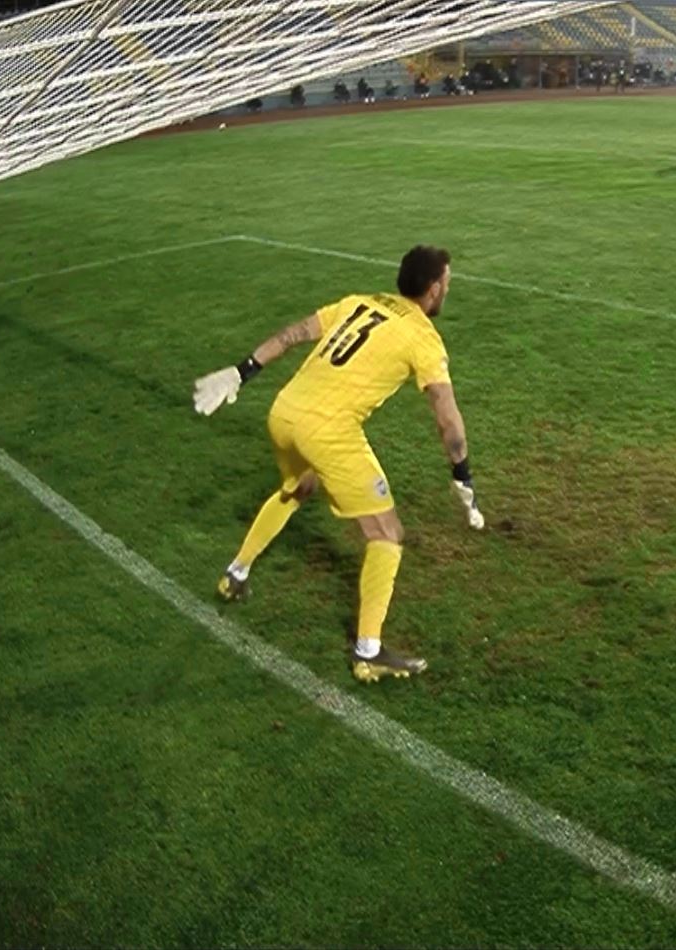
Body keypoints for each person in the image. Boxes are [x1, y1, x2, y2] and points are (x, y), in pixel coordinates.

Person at [190, 246, 484, 684]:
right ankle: (369, 652)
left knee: (298, 486)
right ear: (434, 287)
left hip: (284, 413)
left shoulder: (358, 302)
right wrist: (462, 473)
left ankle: (236, 573)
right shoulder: (423, 338)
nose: (448, 289)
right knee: (387, 534)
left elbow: (294, 334)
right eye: (447, 283)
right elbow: (446, 416)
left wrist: (241, 371)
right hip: (327, 431)